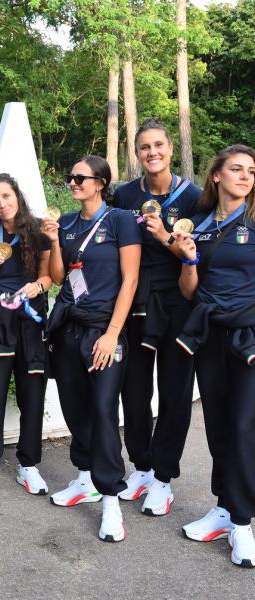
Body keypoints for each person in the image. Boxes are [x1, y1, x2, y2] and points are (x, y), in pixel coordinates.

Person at [41, 155, 141, 542]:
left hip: (104, 331)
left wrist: (113, 333)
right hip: (68, 327)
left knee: (101, 409)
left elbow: (129, 280)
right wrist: (52, 241)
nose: (72, 183)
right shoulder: (65, 222)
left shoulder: (119, 221)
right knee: (75, 407)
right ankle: (85, 479)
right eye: (70, 177)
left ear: (100, 182)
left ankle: (111, 498)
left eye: (80, 178)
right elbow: (57, 277)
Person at [111, 118, 202, 515]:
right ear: (137, 153)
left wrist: (165, 236)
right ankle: (143, 465)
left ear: (169, 148)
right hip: (135, 302)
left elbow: (198, 256)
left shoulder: (196, 197)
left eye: (159, 145)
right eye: (145, 147)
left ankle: (163, 478)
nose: (153, 153)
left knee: (175, 392)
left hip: (179, 303)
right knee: (133, 390)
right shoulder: (124, 195)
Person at [173, 144, 255, 567]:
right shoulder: (202, 225)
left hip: (249, 337)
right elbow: (190, 291)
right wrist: (188, 259)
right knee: (220, 427)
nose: (245, 177)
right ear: (217, 176)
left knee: (243, 428)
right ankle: (224, 508)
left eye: (251, 171)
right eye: (236, 169)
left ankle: (242, 523)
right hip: (209, 334)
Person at [0, 174, 52, 505]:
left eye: (6, 196)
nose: (2, 204)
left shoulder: (38, 229)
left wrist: (39, 286)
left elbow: (50, 274)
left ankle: (28, 464)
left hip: (31, 322)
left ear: (17, 196)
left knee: (33, 396)